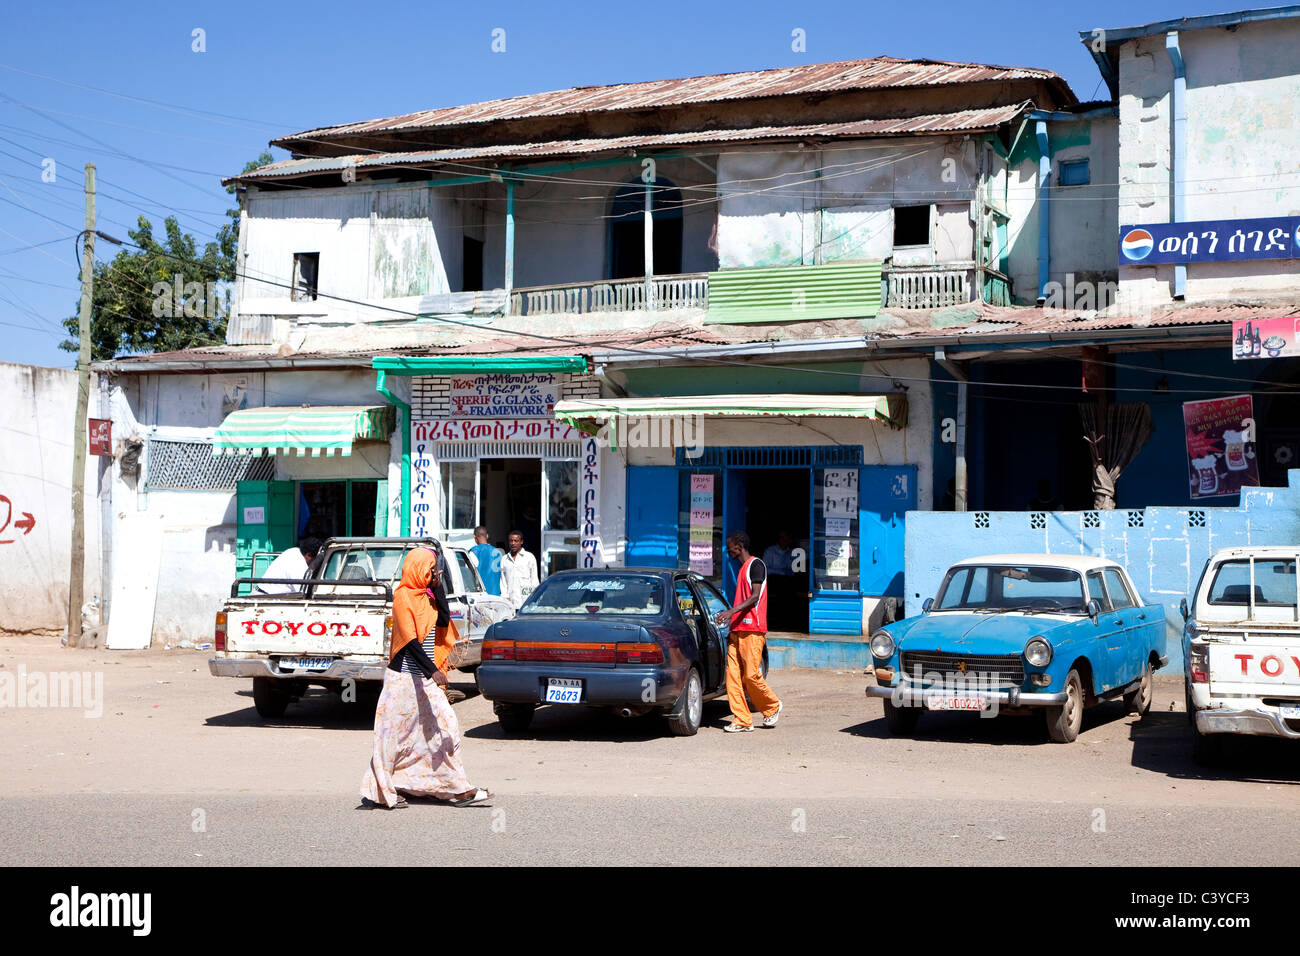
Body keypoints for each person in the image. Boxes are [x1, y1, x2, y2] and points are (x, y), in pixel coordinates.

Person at [359, 547, 490, 809]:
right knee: (392, 739)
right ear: (418, 568)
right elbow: (410, 644)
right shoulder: (403, 598)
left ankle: (456, 787)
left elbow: (443, 620)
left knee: (445, 729)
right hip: (403, 681)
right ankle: (381, 790)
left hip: (424, 679)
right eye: (430, 569)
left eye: (434, 569)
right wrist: (433, 670)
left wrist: (438, 586)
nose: (433, 572)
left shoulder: (426, 598)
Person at [712, 530, 783, 733]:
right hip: (737, 629)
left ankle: (772, 706)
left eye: (730, 545)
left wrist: (730, 611)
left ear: (740, 546)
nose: (728, 549)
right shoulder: (742, 568)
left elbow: (754, 596)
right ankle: (742, 720)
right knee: (732, 676)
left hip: (753, 628)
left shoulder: (756, 565)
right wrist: (731, 619)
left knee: (751, 676)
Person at [256, 537, 321, 594]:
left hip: (263, 593)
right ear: (308, 555)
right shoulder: (299, 565)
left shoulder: (294, 551)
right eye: (316, 559)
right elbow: (304, 592)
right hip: (265, 599)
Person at [499, 530, 539, 610]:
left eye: (516, 541)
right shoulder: (504, 559)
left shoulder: (529, 557)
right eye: (511, 541)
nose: (513, 543)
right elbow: (503, 581)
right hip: (510, 603)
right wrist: (505, 596)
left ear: (521, 542)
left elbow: (534, 580)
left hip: (526, 602)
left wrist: (534, 599)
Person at [468, 525, 502, 596]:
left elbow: (469, 574)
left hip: (482, 594)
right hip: (496, 593)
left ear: (475, 537)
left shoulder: (474, 552)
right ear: (487, 536)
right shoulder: (498, 552)